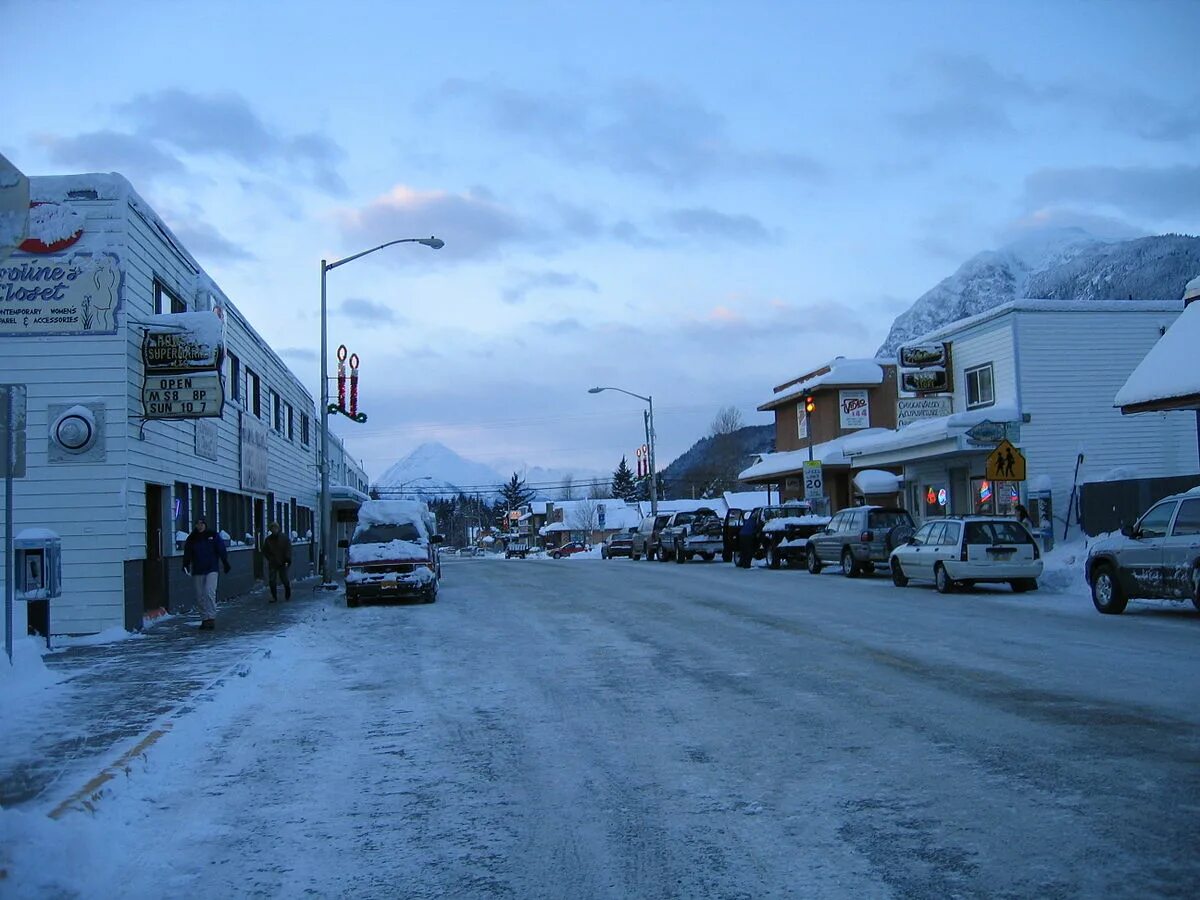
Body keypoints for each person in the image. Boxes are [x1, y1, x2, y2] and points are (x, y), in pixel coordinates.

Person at [182, 517, 230, 631]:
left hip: (211, 568)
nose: (200, 526)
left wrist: (225, 562)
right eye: (197, 524)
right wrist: (185, 563)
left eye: (202, 523)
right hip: (198, 569)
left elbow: (221, 549)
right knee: (200, 596)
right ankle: (204, 618)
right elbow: (188, 552)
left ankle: (211, 618)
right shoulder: (192, 538)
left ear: (205, 524)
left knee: (209, 592)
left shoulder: (213, 535)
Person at [262, 521, 293, 602]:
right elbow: (265, 550)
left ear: (278, 528)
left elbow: (288, 549)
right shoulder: (268, 540)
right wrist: (270, 558)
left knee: (284, 579)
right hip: (273, 562)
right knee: (272, 580)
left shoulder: (284, 538)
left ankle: (288, 593)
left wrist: (287, 560)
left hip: (283, 562)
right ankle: (274, 596)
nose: (274, 530)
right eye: (272, 528)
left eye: (275, 528)